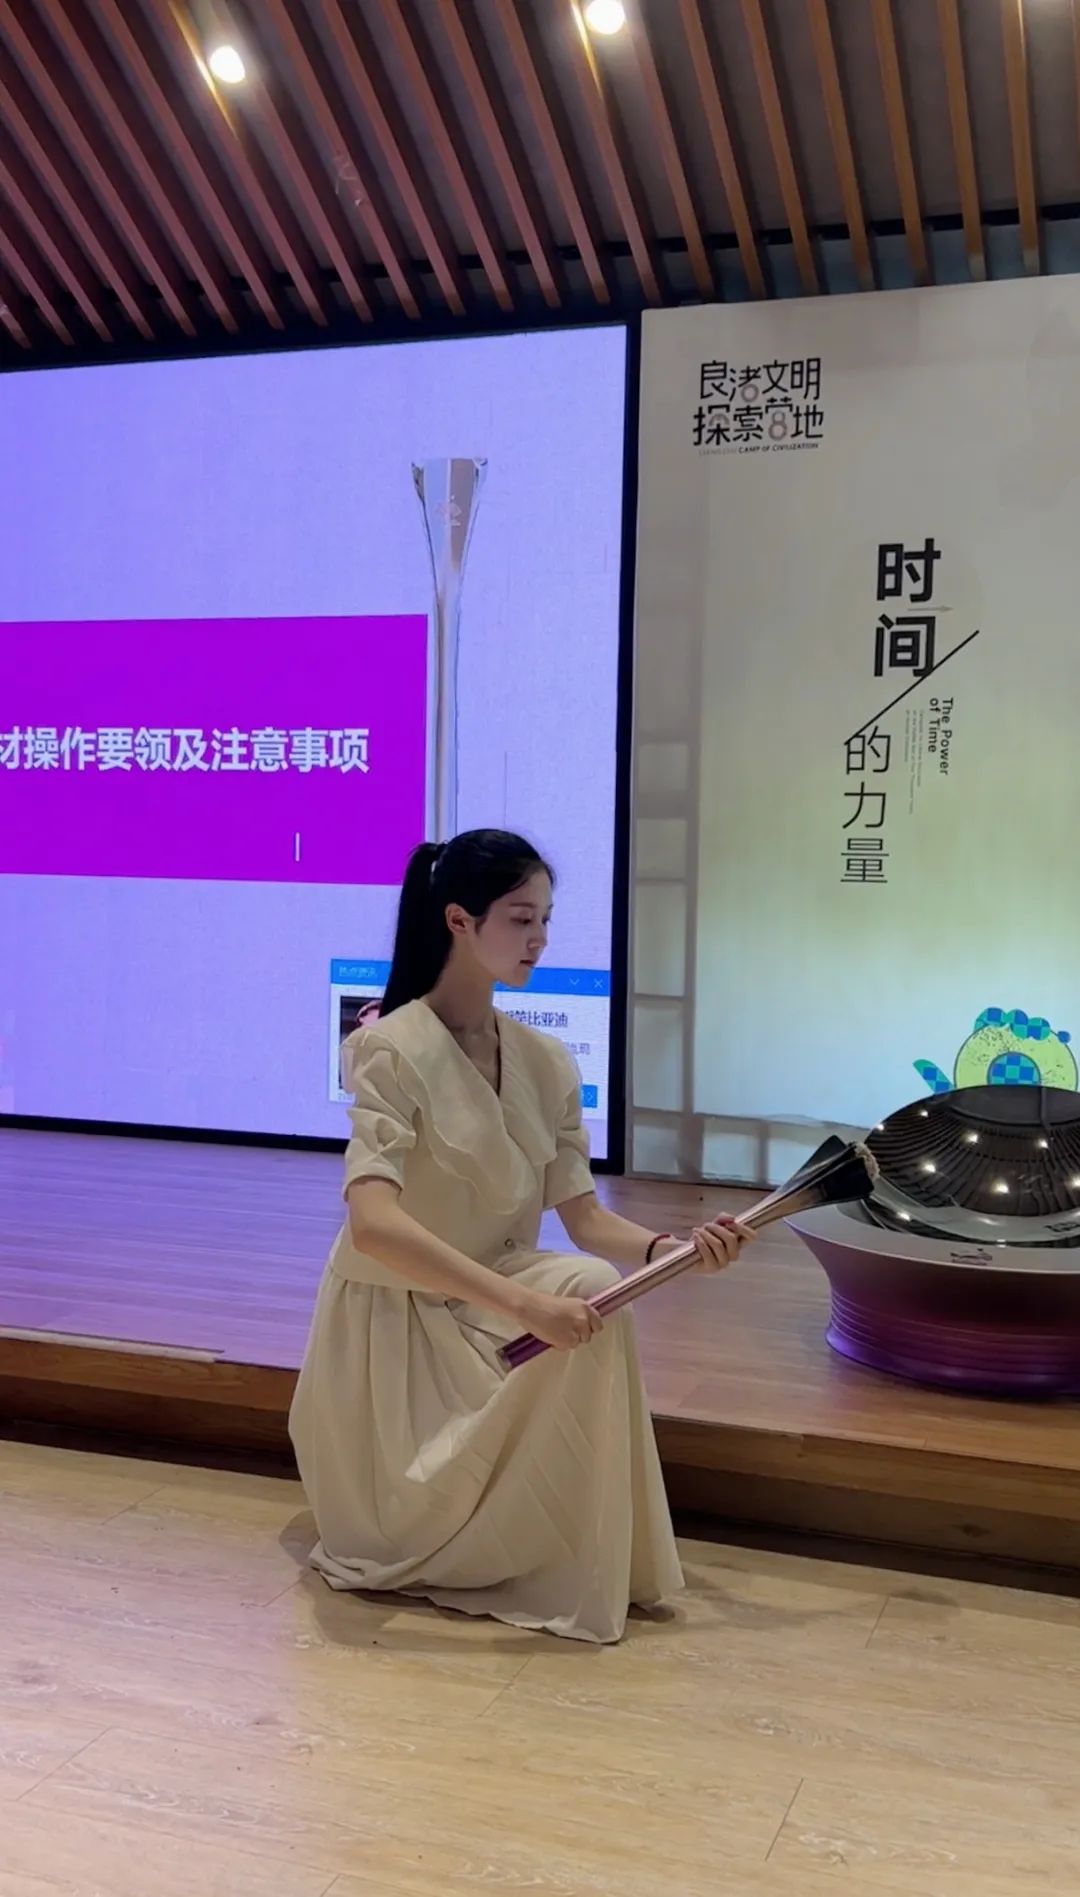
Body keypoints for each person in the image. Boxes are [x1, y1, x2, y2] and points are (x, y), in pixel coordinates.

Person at [290, 830, 753, 1644]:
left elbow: (584, 1217)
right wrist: (523, 1304)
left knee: (593, 1289)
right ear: (459, 921)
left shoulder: (544, 1060)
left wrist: (669, 1252)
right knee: (570, 1294)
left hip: (491, 1299)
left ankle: (565, 1547)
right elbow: (374, 1223)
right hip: (400, 1321)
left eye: (545, 919)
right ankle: (477, 1531)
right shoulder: (390, 1047)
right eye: (520, 918)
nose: (538, 938)